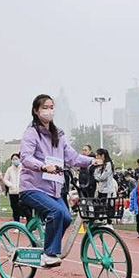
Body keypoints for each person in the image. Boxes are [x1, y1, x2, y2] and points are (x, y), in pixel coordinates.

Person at [19, 94, 95, 267]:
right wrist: (43, 166)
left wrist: (92, 161)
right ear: (36, 111)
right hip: (32, 187)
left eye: (51, 107)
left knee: (66, 218)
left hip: (53, 188)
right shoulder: (31, 133)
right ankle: (49, 253)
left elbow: (72, 157)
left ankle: (49, 247)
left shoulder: (58, 135)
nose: (49, 111)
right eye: (45, 107)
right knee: (56, 212)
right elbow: (26, 157)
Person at [3, 153, 24, 222]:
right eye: (13, 159)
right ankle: (17, 223)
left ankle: (29, 224)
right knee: (15, 209)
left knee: (24, 208)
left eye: (16, 159)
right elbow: (5, 179)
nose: (15, 160)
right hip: (13, 192)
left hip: (22, 191)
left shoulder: (23, 168)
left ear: (19, 159)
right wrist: (11, 185)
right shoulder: (9, 169)